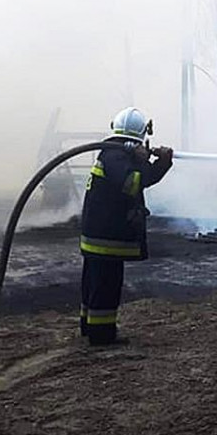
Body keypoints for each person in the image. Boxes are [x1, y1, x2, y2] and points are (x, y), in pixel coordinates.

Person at [79, 107, 173, 345]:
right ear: (141, 133)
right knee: (106, 286)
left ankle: (89, 326)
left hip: (99, 234)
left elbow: (143, 179)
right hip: (106, 238)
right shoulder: (116, 156)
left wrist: (163, 163)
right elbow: (132, 184)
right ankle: (102, 335)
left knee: (94, 283)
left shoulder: (115, 153)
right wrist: (143, 161)